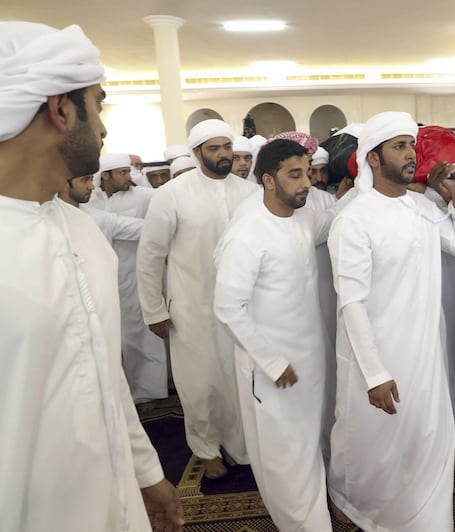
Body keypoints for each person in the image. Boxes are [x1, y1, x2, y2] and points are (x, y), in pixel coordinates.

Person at [0, 21, 182, 531]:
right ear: (60, 109)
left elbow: (105, 376)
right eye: (98, 104)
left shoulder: (82, 232)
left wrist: (146, 472)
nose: (103, 128)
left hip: (114, 500)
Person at [326, 111, 455, 531]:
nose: (411, 154)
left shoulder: (421, 207)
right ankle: (358, 503)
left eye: (411, 145)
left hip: (427, 354)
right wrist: (374, 373)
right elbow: (351, 303)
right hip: (379, 357)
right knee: (375, 444)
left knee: (428, 439)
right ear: (372, 159)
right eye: (398, 146)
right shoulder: (354, 219)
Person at [215, 139, 336, 531]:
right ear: (268, 180)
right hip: (272, 370)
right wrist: (272, 361)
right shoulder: (247, 235)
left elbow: (335, 218)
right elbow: (228, 307)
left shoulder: (299, 219)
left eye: (308, 172)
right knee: (285, 459)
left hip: (308, 361)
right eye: (295, 174)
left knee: (305, 449)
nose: (307, 183)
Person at [137, 118, 257, 479]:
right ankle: (206, 451)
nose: (223, 155)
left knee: (238, 381)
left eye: (226, 148)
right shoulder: (171, 194)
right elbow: (150, 256)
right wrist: (153, 310)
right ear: (197, 152)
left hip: (240, 307)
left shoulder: (249, 193)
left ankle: (240, 445)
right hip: (191, 306)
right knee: (199, 385)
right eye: (214, 149)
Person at [88, 153, 168, 406]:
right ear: (106, 176)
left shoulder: (144, 196)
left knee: (141, 334)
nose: (129, 177)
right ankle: (120, 392)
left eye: (128, 171)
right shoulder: (91, 199)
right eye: (122, 172)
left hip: (135, 275)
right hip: (101, 277)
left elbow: (159, 221)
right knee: (111, 335)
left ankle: (149, 392)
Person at [58, 173, 144, 244]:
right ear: (64, 184)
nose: (92, 186)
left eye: (91, 180)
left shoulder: (96, 218)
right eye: (84, 180)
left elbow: (141, 228)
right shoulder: (48, 219)